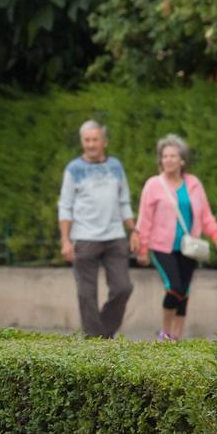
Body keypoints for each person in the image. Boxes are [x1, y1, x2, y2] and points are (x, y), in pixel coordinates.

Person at [134, 134, 217, 341]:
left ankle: (177, 337)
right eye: (164, 156)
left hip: (188, 247)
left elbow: (206, 215)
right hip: (162, 247)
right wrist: (142, 249)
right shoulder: (153, 185)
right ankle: (165, 333)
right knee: (174, 287)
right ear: (160, 160)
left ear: (182, 160)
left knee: (184, 291)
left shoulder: (193, 184)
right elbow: (145, 219)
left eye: (173, 156)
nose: (168, 160)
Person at [57, 120, 137, 338]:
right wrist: (65, 240)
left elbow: (124, 201)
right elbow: (65, 206)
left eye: (95, 140)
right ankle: (95, 341)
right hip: (84, 238)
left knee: (123, 288)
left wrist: (133, 229)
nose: (91, 144)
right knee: (86, 294)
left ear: (105, 142)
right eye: (86, 140)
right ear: (82, 142)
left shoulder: (116, 166)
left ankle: (102, 334)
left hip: (115, 236)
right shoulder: (74, 169)